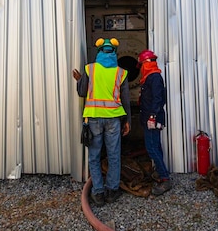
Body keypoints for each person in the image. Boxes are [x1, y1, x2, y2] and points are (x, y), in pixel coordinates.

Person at [72, 38, 131, 207]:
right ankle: (112, 190)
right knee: (113, 155)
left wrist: (79, 80)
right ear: (114, 52)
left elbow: (82, 92)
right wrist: (127, 121)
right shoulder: (121, 72)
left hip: (94, 119)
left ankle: (98, 192)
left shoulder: (90, 69)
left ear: (99, 52)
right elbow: (125, 100)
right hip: (114, 119)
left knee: (94, 156)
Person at [137, 49, 172, 196]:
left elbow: (158, 99)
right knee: (156, 146)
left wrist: (152, 116)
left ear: (146, 63)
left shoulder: (155, 77)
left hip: (153, 118)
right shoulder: (150, 78)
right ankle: (160, 171)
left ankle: (165, 179)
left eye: (142, 65)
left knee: (151, 147)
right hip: (149, 117)